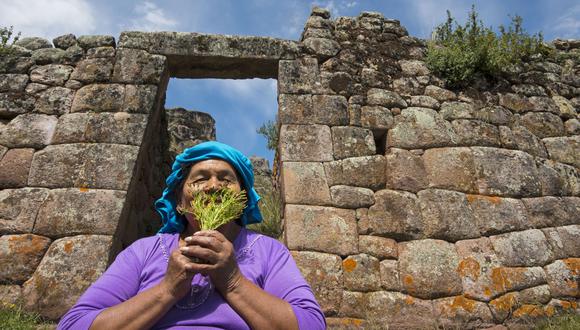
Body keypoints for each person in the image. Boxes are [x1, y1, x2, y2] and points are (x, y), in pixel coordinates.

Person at [57, 141, 326, 330]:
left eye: (226, 179)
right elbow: (74, 325)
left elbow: (311, 325)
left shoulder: (269, 251)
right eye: (200, 179)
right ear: (179, 201)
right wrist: (168, 289)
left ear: (242, 201)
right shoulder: (144, 251)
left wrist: (232, 281)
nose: (213, 186)